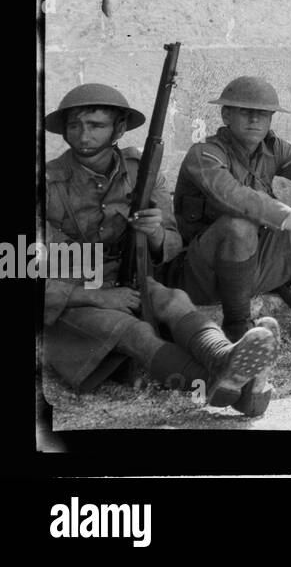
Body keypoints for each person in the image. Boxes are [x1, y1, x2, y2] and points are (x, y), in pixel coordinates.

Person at [43, 84, 279, 416]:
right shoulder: (48, 182)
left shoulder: (140, 171)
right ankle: (232, 391)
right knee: (132, 329)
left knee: (173, 299)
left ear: (119, 129)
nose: (84, 135)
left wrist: (154, 233)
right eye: (75, 126)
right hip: (70, 293)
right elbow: (15, 264)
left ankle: (225, 357)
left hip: (126, 279)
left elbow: (172, 241)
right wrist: (95, 296)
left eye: (95, 125)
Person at [173, 76, 291, 350]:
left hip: (255, 263)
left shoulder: (274, 149)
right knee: (239, 224)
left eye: (263, 114)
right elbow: (240, 199)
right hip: (204, 273)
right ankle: (237, 327)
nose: (254, 121)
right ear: (226, 115)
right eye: (245, 113)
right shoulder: (205, 154)